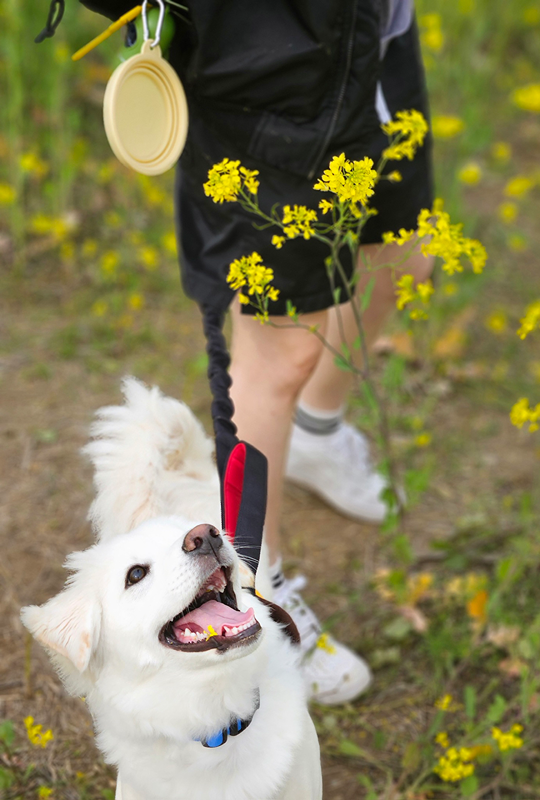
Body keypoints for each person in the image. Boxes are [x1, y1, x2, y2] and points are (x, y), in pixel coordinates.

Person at [76, 0, 435, 704]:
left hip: (374, 34)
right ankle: (251, 593)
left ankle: (320, 436)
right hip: (273, 67)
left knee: (405, 254)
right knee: (277, 356)